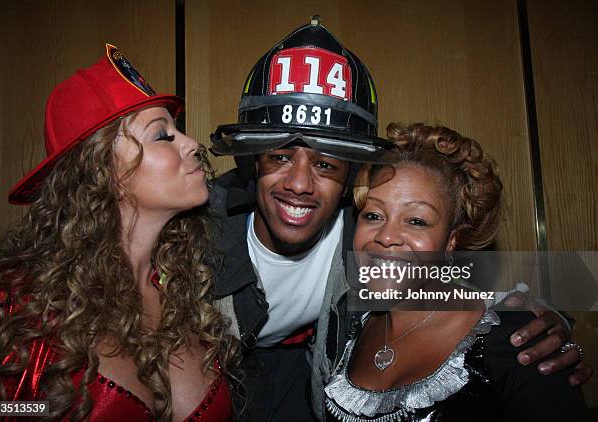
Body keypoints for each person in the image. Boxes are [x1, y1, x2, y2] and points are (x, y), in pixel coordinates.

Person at [208, 18, 591, 421]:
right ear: (253, 159)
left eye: (325, 163)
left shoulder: (358, 230)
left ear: (349, 176)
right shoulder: (196, 231)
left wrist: (542, 321)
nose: (300, 183)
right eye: (280, 156)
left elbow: (440, 277)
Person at [0, 45, 235, 421]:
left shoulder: (185, 289)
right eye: (162, 135)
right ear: (104, 170)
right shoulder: (16, 302)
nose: (192, 144)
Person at [323, 123, 590, 421]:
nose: (386, 236)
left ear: (452, 241)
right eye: (373, 215)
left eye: (416, 221)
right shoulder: (348, 323)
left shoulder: (517, 340)